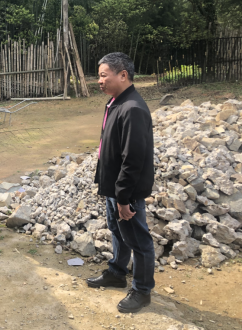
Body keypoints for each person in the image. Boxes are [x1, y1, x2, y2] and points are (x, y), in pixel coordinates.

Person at [86, 52, 155, 313]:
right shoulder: (116, 103)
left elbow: (133, 159)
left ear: (123, 75)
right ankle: (117, 272)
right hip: (114, 187)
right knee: (118, 231)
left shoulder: (133, 108)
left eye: (104, 75)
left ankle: (142, 290)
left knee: (139, 240)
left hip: (127, 191)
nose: (99, 81)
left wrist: (124, 197)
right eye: (99, 76)